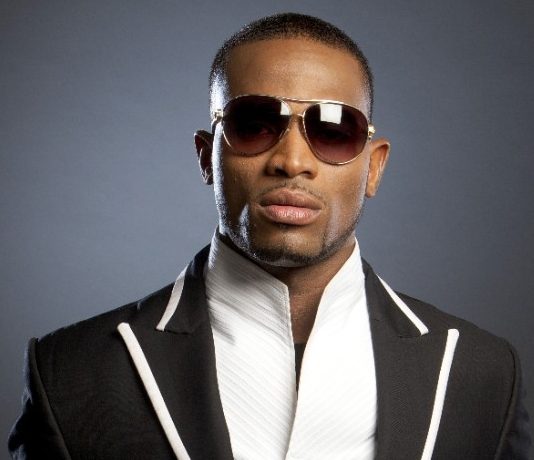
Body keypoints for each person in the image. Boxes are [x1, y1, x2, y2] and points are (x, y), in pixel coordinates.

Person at [8, 12, 530, 460]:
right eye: (254, 124)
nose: (292, 161)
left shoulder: (482, 374)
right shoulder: (71, 372)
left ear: (373, 167)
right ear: (206, 156)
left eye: (333, 129)